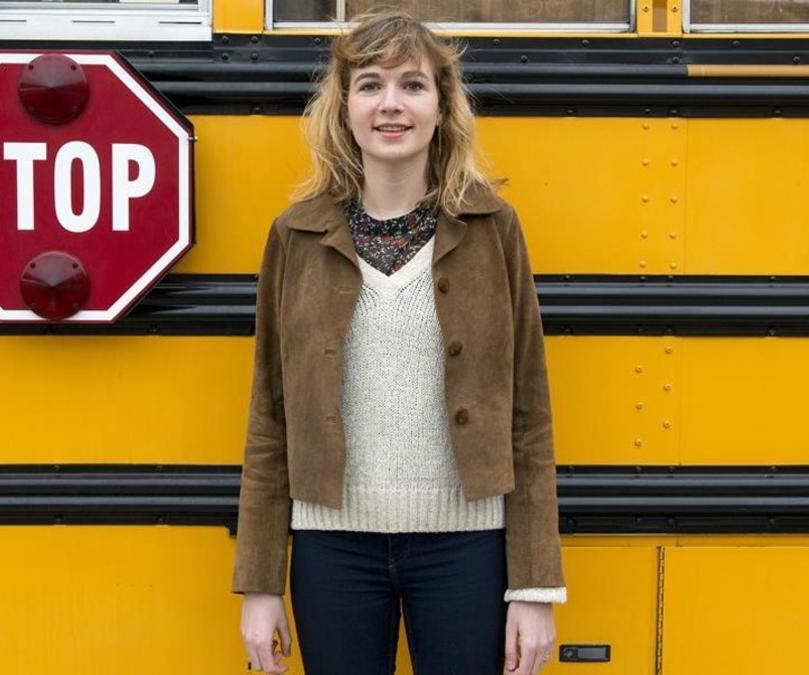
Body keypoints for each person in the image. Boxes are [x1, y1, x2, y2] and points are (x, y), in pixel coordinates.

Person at [233, 10, 567, 675]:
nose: (391, 103)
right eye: (371, 84)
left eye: (413, 85)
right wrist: (261, 581)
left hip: (468, 548)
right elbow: (269, 417)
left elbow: (529, 415)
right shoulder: (295, 236)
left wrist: (533, 587)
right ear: (344, 106)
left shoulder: (493, 230)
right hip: (334, 551)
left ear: (442, 108)